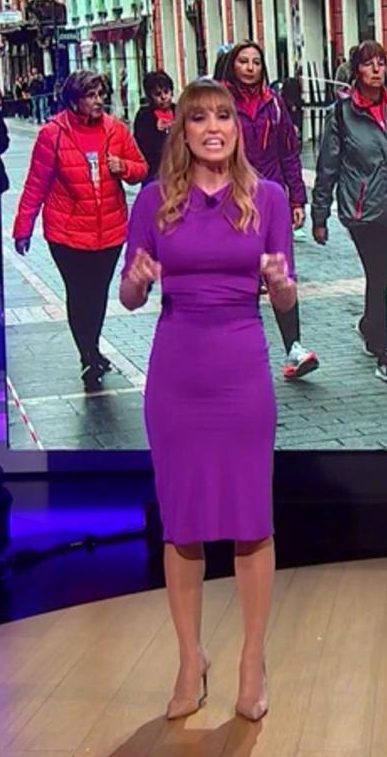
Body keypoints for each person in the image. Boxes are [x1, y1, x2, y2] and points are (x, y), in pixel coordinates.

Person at [120, 79, 293, 723]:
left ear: (236, 129)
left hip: (240, 371)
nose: (214, 127)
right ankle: (190, 659)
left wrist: (280, 284)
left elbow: (286, 295)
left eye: (224, 116)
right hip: (177, 373)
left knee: (251, 519)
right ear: (183, 132)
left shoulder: (268, 198)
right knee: (183, 522)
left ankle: (252, 660)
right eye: (199, 118)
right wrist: (137, 279)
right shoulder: (154, 200)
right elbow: (129, 297)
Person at [13, 70, 148, 391]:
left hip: (109, 231)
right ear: (74, 101)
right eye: (91, 95)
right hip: (67, 232)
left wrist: (124, 167)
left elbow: (141, 168)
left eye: (101, 94)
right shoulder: (53, 134)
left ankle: (93, 347)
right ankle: (88, 355)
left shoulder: (116, 129)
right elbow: (36, 184)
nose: (99, 101)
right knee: (78, 292)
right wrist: (23, 227)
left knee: (97, 293)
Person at [312, 39, 387, 382]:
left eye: (381, 62)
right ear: (356, 71)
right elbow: (327, 168)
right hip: (361, 210)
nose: (377, 69)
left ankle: (369, 325)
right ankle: (385, 353)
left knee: (380, 278)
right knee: (378, 277)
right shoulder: (341, 114)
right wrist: (319, 216)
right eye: (368, 63)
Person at [217, 41, 320, 379]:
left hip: (271, 200)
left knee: (280, 274)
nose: (250, 67)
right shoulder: (217, 102)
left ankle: (294, 349)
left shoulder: (274, 104)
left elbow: (289, 153)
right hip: (230, 203)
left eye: (256, 62)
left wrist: (297, 199)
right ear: (232, 65)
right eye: (243, 61)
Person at [133, 70, 176, 184]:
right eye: (158, 94)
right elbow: (140, 146)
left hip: (179, 170)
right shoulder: (144, 116)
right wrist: (156, 132)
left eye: (166, 92)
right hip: (154, 174)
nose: (163, 97)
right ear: (150, 97)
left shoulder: (180, 111)